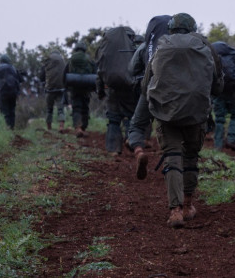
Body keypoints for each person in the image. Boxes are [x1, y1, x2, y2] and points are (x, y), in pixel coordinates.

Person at [141, 13, 223, 228]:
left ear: (171, 28)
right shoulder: (205, 45)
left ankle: (175, 211)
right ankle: (188, 205)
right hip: (196, 113)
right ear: (193, 28)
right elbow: (218, 84)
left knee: (173, 157)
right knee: (190, 158)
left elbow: (146, 83)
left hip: (166, 113)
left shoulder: (161, 46)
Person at [127, 15, 172, 179]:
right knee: (170, 130)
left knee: (137, 126)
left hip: (149, 90)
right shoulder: (180, 47)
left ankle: (139, 151)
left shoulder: (146, 46)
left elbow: (132, 69)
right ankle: (172, 167)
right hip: (173, 95)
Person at [96, 26, 140, 156]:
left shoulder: (107, 51)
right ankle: (130, 139)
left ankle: (114, 149)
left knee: (113, 118)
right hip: (129, 87)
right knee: (131, 116)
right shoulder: (134, 49)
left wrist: (100, 91)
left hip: (111, 89)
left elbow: (100, 72)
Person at [210, 41, 235, 151]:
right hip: (234, 91)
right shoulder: (234, 59)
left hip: (219, 92)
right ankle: (231, 140)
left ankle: (218, 145)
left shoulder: (213, 61)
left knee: (219, 119)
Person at [65, 41, 96, 138]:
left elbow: (65, 72)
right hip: (86, 87)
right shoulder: (89, 59)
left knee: (76, 108)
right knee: (85, 108)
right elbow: (95, 72)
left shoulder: (71, 59)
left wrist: (67, 86)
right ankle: (83, 128)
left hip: (74, 87)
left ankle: (78, 127)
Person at [38, 49, 66, 131]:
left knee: (49, 109)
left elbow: (41, 77)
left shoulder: (48, 60)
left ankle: (49, 127)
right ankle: (61, 126)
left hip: (49, 89)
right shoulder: (62, 61)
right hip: (60, 89)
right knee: (60, 109)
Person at [0, 54, 22, 130]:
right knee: (12, 110)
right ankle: (12, 128)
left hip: (2, 92)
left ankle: (7, 128)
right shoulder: (13, 68)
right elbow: (20, 79)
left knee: (4, 111)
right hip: (13, 92)